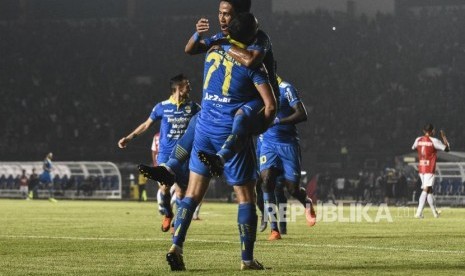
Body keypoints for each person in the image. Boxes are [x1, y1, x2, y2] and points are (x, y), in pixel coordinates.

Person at [165, 13, 277, 271]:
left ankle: (176, 245)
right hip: (231, 133)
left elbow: (192, 49)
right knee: (246, 196)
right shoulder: (253, 66)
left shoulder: (213, 50)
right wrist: (261, 124)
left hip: (205, 127)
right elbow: (270, 106)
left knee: (192, 194)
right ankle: (247, 259)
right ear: (250, 36)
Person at [138, 0, 279, 182]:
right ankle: (169, 168)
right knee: (199, 119)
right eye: (219, 13)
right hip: (238, 96)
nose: (221, 18)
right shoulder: (222, 36)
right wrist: (198, 34)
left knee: (241, 117)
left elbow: (251, 60)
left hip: (261, 97)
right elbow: (190, 49)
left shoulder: (260, 37)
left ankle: (221, 159)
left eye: (226, 14)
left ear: (239, 16)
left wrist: (225, 45)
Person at [118, 74, 201, 232]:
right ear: (178, 88)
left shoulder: (194, 107)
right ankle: (168, 214)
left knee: (181, 191)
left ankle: (177, 219)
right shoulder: (161, 107)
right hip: (165, 155)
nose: (190, 87)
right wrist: (128, 138)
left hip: (184, 156)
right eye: (187, 85)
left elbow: (204, 124)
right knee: (164, 188)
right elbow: (146, 125)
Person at [258, 76, 316, 241]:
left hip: (288, 144)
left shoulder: (286, 88)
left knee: (292, 189)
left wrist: (278, 121)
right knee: (267, 180)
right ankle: (274, 229)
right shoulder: (257, 87)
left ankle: (307, 202)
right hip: (268, 143)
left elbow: (302, 114)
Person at [412, 123, 450, 218]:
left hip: (421, 167)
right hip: (429, 168)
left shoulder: (418, 139)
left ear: (424, 131)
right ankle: (418, 212)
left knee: (429, 191)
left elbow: (413, 147)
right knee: (426, 189)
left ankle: (435, 213)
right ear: (432, 131)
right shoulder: (434, 141)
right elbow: (447, 149)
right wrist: (444, 137)